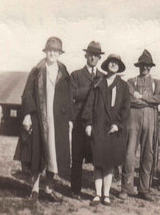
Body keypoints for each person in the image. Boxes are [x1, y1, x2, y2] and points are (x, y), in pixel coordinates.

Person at [13, 36, 74, 203]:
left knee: (54, 155)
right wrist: (27, 115)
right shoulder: (37, 70)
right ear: (46, 51)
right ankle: (34, 189)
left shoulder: (63, 71)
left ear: (59, 53)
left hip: (58, 121)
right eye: (50, 50)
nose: (52, 53)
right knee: (37, 153)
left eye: (56, 51)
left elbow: (69, 97)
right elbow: (27, 94)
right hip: (39, 117)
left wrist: (70, 119)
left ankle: (48, 187)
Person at [82, 53, 131, 206]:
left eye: (116, 63)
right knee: (98, 162)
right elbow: (89, 105)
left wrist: (118, 125)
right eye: (111, 62)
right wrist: (88, 124)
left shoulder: (123, 87)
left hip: (113, 130)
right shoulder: (98, 83)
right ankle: (97, 194)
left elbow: (125, 110)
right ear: (107, 64)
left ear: (119, 67)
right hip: (98, 127)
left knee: (109, 164)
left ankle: (106, 195)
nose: (113, 65)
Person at [119, 49, 160, 202]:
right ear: (138, 66)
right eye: (142, 65)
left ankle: (144, 189)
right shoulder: (131, 82)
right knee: (129, 153)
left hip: (150, 122)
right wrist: (147, 101)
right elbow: (129, 98)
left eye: (147, 65)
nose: (144, 68)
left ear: (151, 67)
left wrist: (143, 97)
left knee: (148, 155)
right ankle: (126, 187)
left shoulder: (156, 82)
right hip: (133, 121)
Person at [70, 41, 104, 200]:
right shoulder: (76, 75)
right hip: (78, 122)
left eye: (96, 56)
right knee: (77, 158)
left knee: (98, 157)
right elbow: (73, 94)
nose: (93, 58)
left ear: (99, 59)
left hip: (95, 124)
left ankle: (99, 192)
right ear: (86, 56)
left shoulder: (103, 77)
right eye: (90, 55)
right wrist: (92, 89)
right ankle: (75, 190)